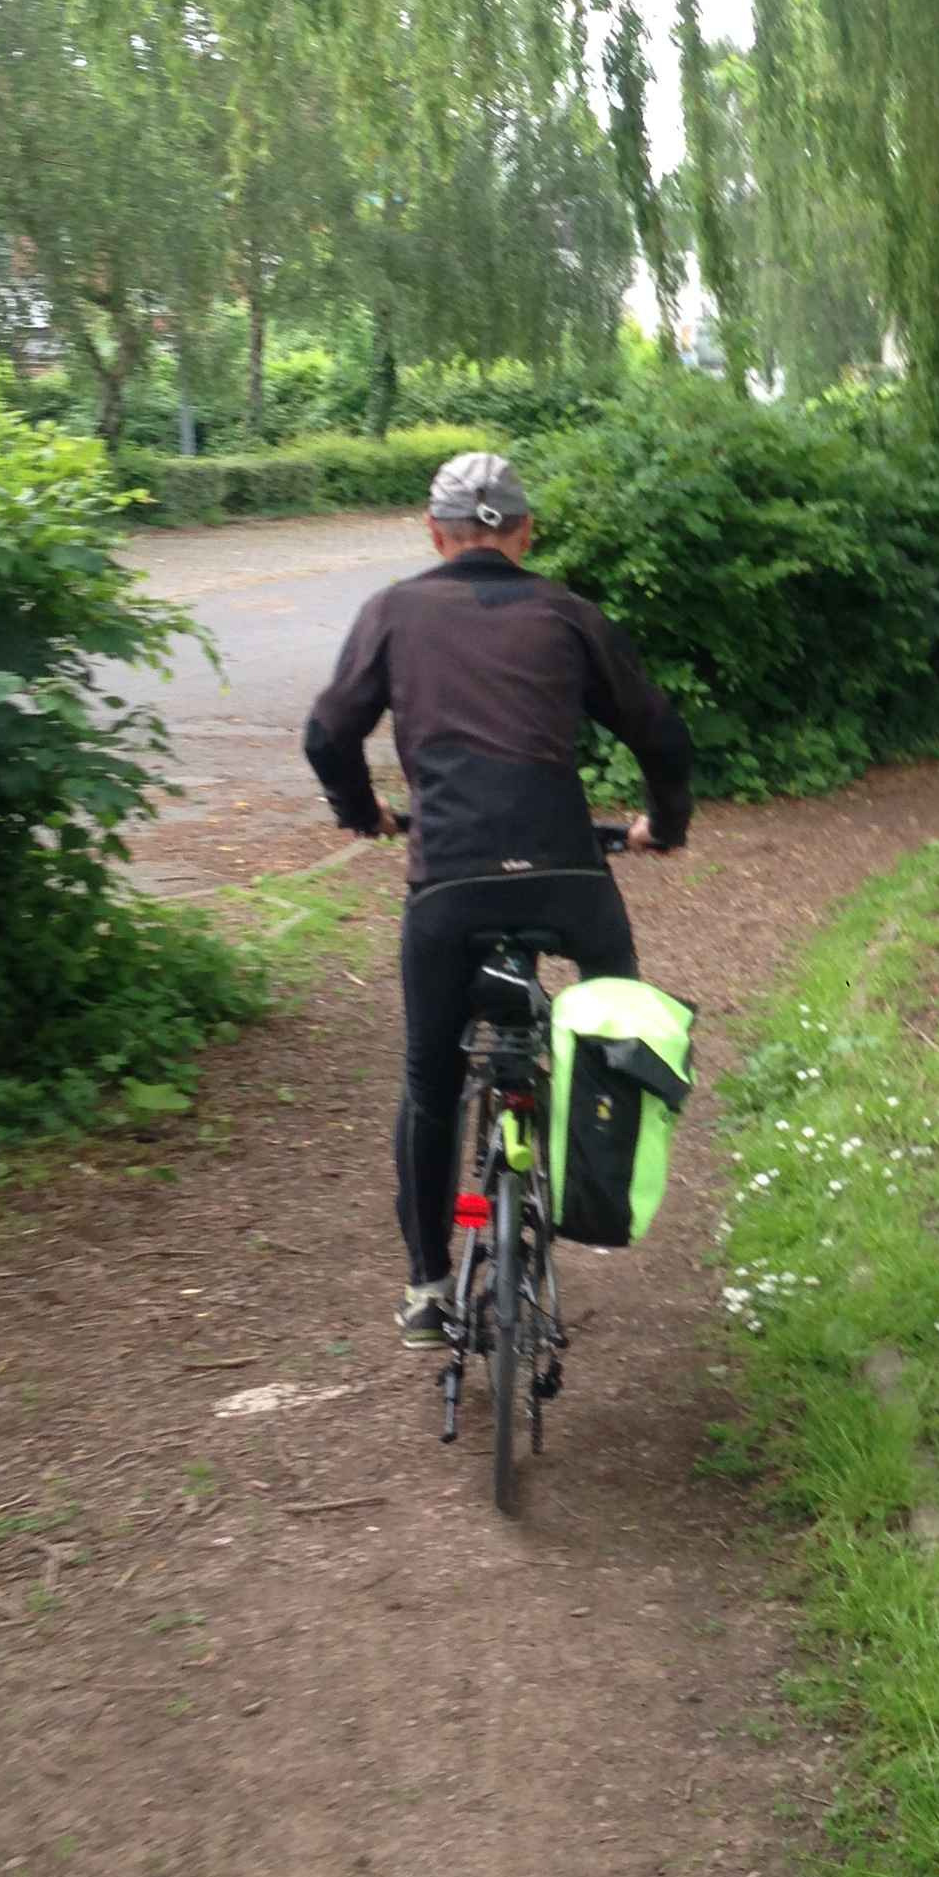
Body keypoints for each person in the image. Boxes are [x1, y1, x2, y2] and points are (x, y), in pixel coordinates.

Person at [302, 449, 694, 1345]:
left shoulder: (393, 612)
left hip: (449, 882)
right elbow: (662, 735)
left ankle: (428, 1287)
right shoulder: (568, 613)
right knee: (611, 1030)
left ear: (432, 533)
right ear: (526, 532)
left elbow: (327, 734)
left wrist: (363, 815)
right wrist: (662, 827)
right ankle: (593, 1191)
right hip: (568, 876)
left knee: (429, 1079)